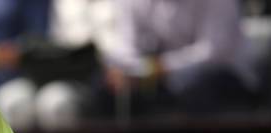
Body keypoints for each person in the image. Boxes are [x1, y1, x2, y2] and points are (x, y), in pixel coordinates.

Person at [99, 0, 259, 117]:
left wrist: (159, 68)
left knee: (197, 95)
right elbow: (124, 45)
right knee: (103, 92)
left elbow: (213, 52)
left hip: (225, 75)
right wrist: (128, 71)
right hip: (156, 77)